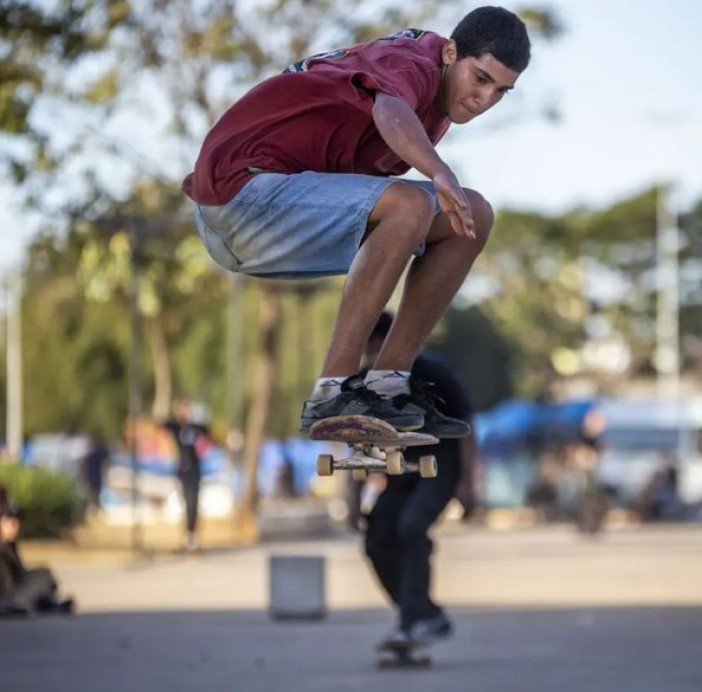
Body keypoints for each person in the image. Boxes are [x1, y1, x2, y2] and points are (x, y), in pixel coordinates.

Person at [182, 7, 530, 435]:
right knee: (409, 205)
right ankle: (334, 393)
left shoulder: (437, 98)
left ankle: (387, 386)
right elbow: (391, 113)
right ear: (452, 52)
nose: (485, 100)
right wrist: (438, 170)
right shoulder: (413, 61)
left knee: (472, 215)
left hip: (281, 202)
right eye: (480, 79)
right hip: (237, 197)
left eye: (501, 92)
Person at [350, 311, 478, 647]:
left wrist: (468, 483)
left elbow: (466, 425)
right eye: (368, 353)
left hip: (441, 466)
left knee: (411, 526)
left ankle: (412, 622)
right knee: (376, 538)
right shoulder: (365, 383)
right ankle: (423, 614)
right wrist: (353, 498)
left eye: (378, 350)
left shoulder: (432, 372)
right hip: (400, 472)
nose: (374, 360)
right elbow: (360, 440)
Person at [0, 484, 74, 616]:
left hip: (15, 588)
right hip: (7, 594)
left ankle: (40, 603)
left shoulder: (10, 544)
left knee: (43, 574)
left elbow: (20, 574)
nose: (15, 527)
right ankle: (19, 604)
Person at [163, 399, 212, 552]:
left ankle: (192, 535)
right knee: (185, 502)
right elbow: (162, 423)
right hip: (182, 470)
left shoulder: (197, 428)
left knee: (193, 502)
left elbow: (209, 436)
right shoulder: (176, 427)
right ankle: (187, 535)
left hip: (195, 470)